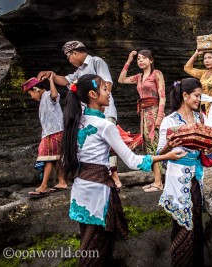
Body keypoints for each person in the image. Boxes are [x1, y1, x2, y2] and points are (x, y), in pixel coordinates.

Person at [60, 74, 186, 266]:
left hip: (80, 190)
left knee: (88, 245)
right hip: (98, 194)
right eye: (104, 89)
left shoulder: (76, 121)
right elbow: (133, 161)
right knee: (97, 251)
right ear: (93, 94)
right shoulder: (105, 125)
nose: (108, 92)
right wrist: (166, 156)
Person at [37, 41, 122, 189]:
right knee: (93, 145)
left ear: (75, 53)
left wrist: (99, 104)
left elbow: (107, 84)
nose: (69, 61)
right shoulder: (78, 72)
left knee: (109, 145)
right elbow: (65, 81)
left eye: (69, 57)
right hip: (89, 115)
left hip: (104, 111)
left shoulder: (96, 62)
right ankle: (96, 175)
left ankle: (114, 177)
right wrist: (52, 75)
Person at [158, 78, 212, 266]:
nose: (199, 99)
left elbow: (206, 149)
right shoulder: (169, 120)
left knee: (197, 223)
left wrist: (209, 149)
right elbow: (159, 154)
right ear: (185, 95)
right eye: (197, 95)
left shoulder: (201, 118)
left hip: (196, 179)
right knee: (181, 226)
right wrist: (168, 146)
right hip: (177, 178)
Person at [118, 50, 166, 192]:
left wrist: (159, 117)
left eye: (144, 58)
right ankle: (156, 180)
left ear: (151, 60)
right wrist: (129, 59)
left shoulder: (156, 74)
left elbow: (162, 96)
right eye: (138, 59)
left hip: (154, 111)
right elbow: (121, 79)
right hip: (144, 114)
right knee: (148, 147)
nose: (140, 61)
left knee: (155, 145)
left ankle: (159, 182)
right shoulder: (139, 77)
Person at [21, 74, 67, 198]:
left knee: (47, 158)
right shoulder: (43, 99)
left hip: (54, 132)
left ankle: (44, 186)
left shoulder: (47, 95)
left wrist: (51, 80)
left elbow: (54, 95)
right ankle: (62, 181)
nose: (31, 97)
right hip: (51, 132)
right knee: (55, 158)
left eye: (30, 93)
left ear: (36, 89)